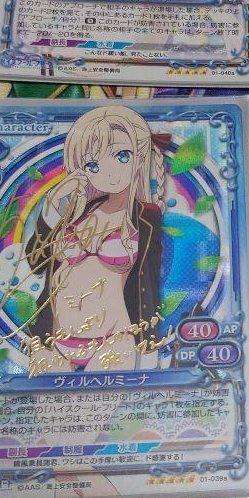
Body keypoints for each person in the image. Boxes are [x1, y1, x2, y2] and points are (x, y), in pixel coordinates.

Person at [25, 106, 163, 372]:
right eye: (93, 165)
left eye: (122, 156)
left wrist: (150, 342)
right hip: (53, 339)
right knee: (46, 401)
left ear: (139, 157)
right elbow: (36, 264)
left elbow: (150, 280)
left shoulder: (147, 217)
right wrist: (51, 210)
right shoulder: (73, 212)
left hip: (114, 339)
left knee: (101, 400)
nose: (109, 172)